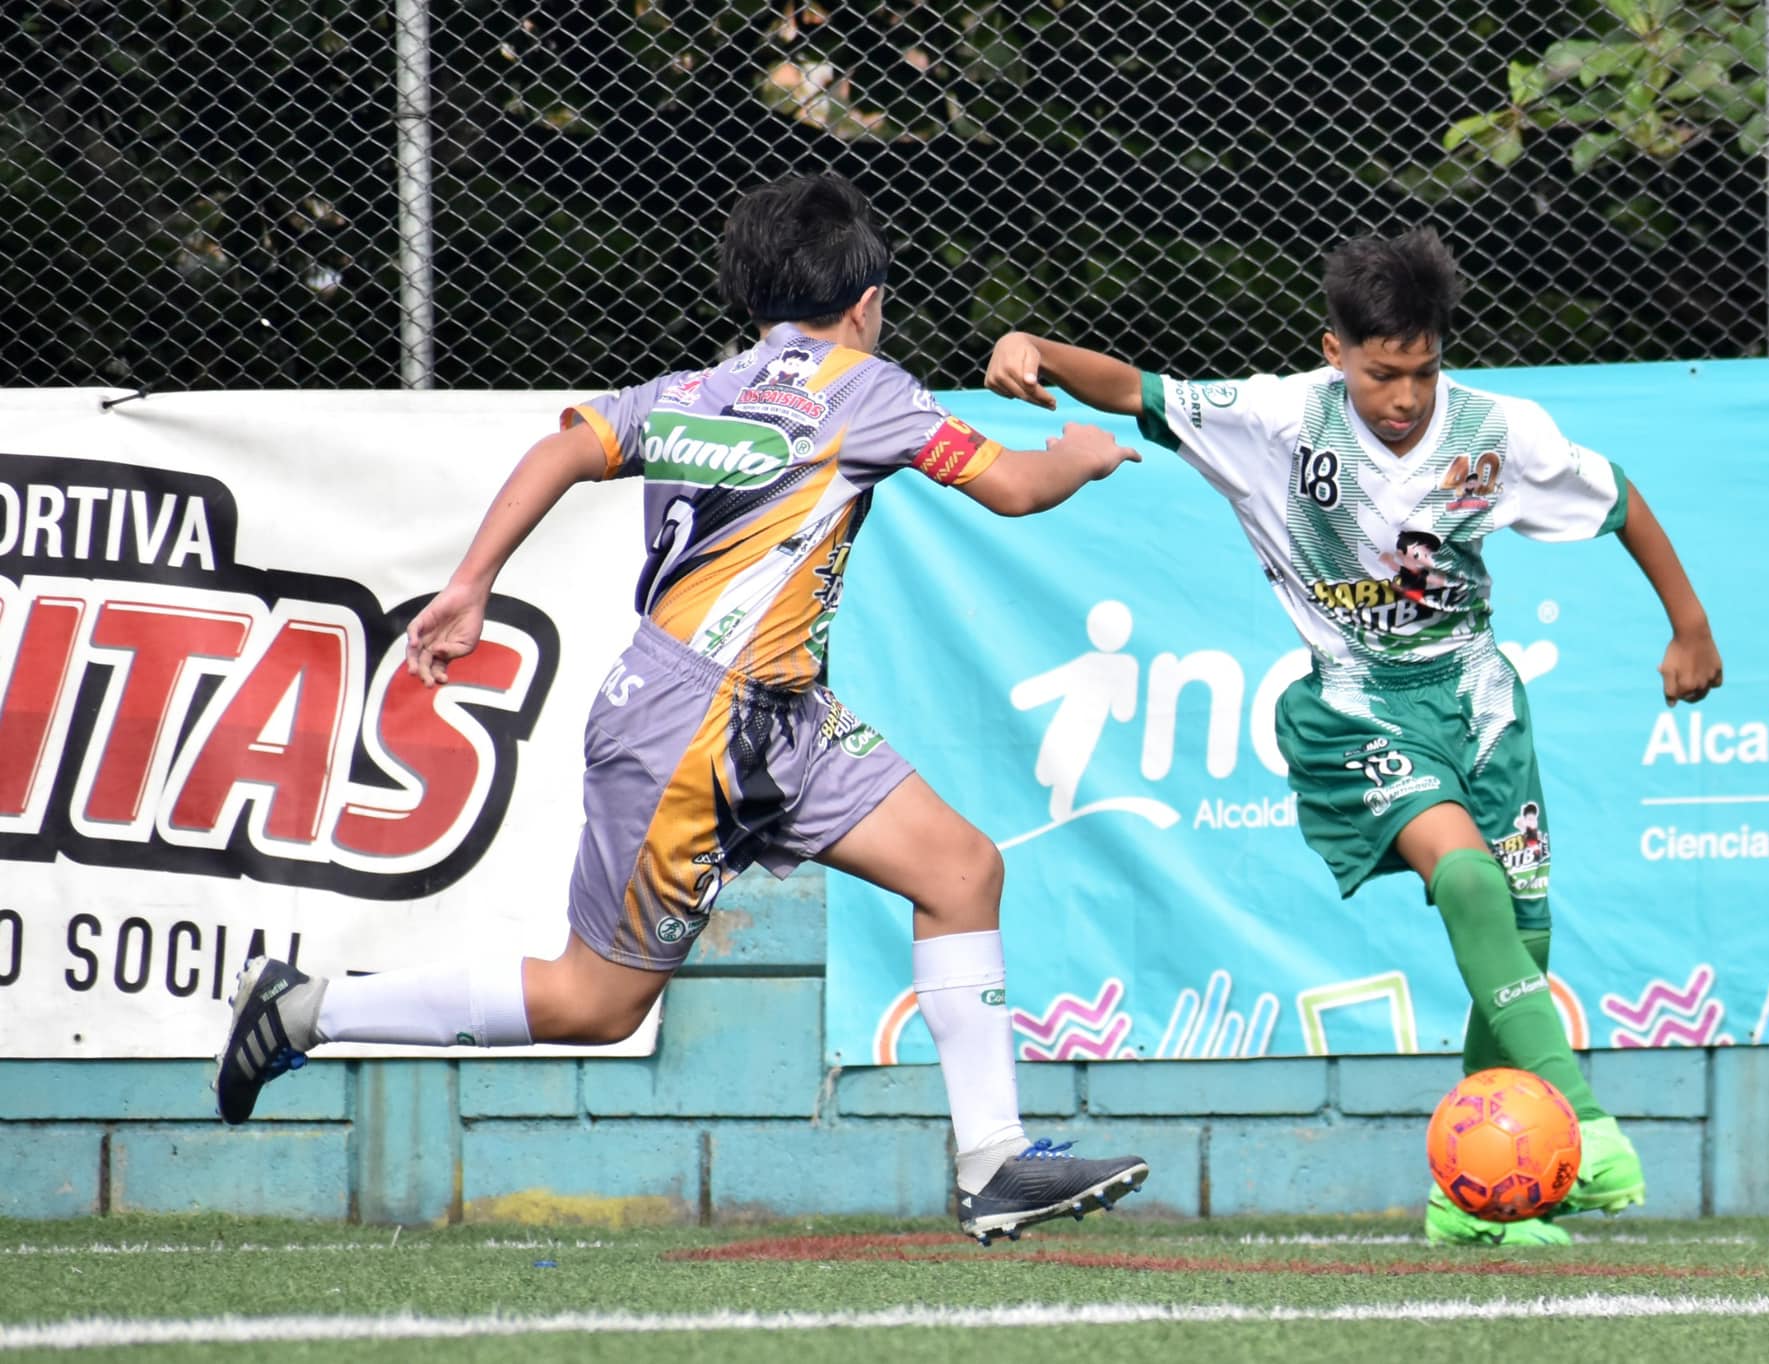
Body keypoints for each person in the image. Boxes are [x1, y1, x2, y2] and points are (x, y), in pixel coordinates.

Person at [213, 172, 1149, 1245]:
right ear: (866, 299)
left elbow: (568, 443)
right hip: (691, 723)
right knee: (593, 1000)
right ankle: (300, 1009)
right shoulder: (867, 386)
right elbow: (1014, 486)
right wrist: (1075, 457)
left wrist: (471, 582)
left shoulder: (693, 391)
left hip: (777, 715)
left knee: (959, 866)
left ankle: (991, 1160)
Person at [982, 227, 1723, 1246]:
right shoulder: (1278, 419)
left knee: (1516, 940)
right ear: (1333, 351)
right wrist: (1034, 344)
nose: (1405, 397)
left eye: (1421, 370)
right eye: (1382, 373)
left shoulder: (1495, 431)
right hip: (1351, 703)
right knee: (1467, 883)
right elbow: (1137, 391)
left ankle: (1473, 1201)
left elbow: (1618, 500)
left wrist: (1688, 625)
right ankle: (1580, 1115)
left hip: (1477, 700)